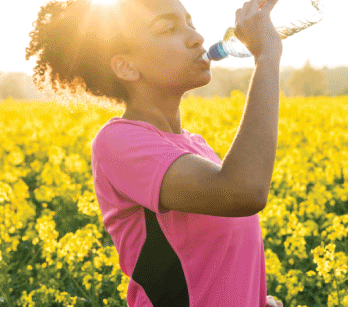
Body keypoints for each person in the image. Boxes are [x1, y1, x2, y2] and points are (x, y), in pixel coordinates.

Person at [26, 0, 283, 307]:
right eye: (169, 29)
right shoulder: (118, 142)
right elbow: (245, 191)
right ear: (126, 66)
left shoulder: (196, 146)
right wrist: (267, 56)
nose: (196, 37)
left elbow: (215, 266)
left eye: (190, 22)